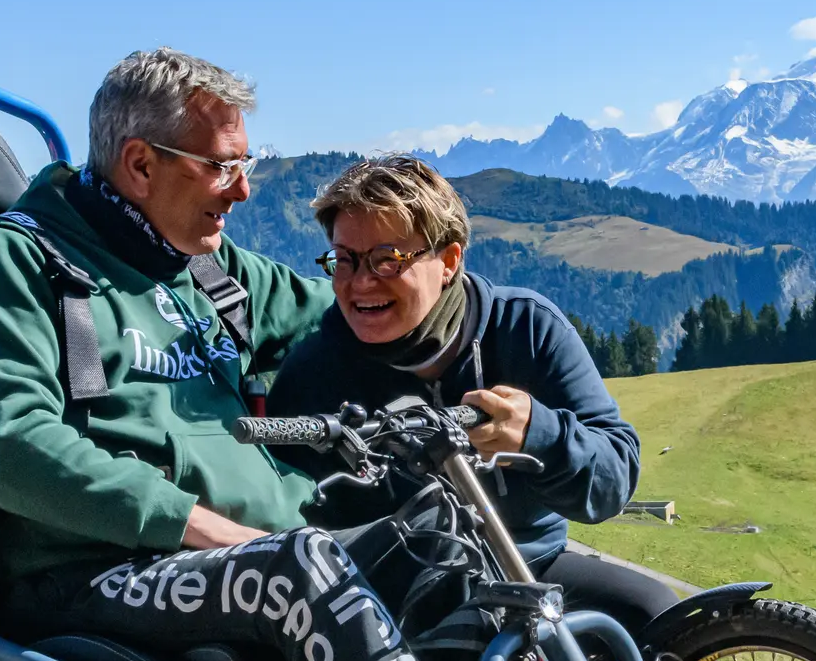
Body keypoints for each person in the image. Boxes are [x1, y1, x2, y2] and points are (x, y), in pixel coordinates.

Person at [0, 49, 420, 661]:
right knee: (298, 571)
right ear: (140, 164)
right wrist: (196, 523)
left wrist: (485, 319)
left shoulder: (210, 268)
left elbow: (353, 308)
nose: (242, 189)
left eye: (243, 164)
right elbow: (10, 444)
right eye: (221, 166)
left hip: (265, 544)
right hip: (99, 570)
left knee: (435, 538)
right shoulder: (15, 264)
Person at [268, 156, 677, 635]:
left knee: (654, 612)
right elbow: (285, 517)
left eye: (386, 260)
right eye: (345, 259)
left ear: (448, 261)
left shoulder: (526, 329)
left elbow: (614, 480)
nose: (360, 282)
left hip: (529, 564)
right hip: (391, 592)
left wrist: (538, 435)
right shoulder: (312, 374)